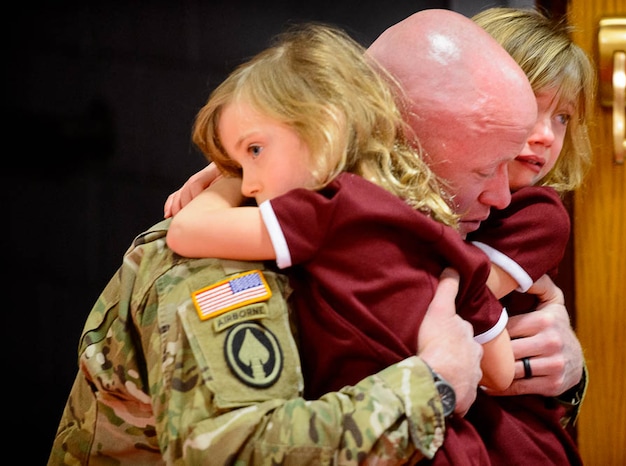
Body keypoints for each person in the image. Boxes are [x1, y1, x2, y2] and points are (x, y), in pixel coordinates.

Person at [51, 8, 583, 465]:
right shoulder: (225, 260)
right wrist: (433, 385)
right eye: (481, 171)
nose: (502, 196)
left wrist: (559, 371)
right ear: (395, 145)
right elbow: (235, 452)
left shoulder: (401, 238)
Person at [165, 22, 515, 400]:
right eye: (239, 165)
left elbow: (185, 231)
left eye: (254, 152)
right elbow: (501, 372)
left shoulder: (327, 210)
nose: (250, 183)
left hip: (388, 444)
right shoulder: (430, 227)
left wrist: (225, 182)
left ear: (327, 128)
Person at [460, 7, 594, 466]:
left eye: (562, 118)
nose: (546, 136)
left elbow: (457, 299)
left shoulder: (540, 212)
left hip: (507, 429)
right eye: (531, 106)